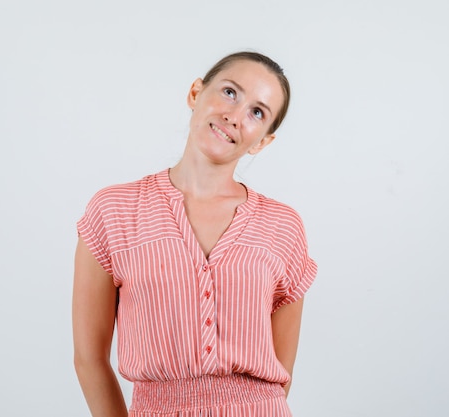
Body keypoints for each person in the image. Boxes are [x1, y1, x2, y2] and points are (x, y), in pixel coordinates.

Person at [72, 51, 318, 417]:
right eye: (230, 92)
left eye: (257, 112)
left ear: (263, 141)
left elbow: (281, 377)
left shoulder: (283, 226)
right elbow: (89, 358)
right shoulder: (114, 211)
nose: (234, 116)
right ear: (195, 93)